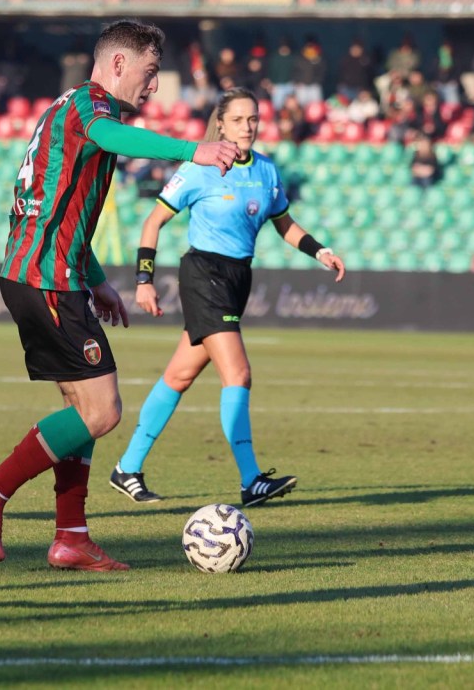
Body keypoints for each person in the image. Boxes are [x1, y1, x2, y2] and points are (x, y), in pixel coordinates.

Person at [0, 19, 240, 572]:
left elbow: (64, 206)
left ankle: (71, 537)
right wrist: (192, 150)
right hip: (47, 280)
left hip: (49, 274)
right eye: (150, 73)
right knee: (104, 411)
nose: (153, 86)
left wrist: (98, 277)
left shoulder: (70, 110)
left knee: (82, 410)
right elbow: (111, 139)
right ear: (117, 65)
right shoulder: (91, 109)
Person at [109, 87, 345, 506]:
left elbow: (284, 223)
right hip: (204, 274)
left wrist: (320, 251)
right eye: (238, 120)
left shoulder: (267, 170)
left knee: (180, 376)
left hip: (238, 278)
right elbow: (152, 222)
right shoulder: (199, 168)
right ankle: (251, 479)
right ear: (221, 123)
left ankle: (127, 467)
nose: (247, 127)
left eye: (253, 119)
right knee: (238, 374)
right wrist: (143, 280)